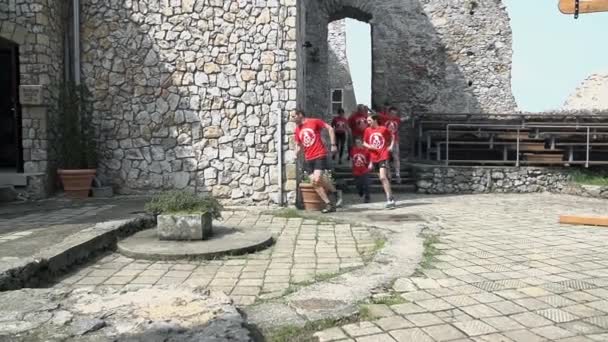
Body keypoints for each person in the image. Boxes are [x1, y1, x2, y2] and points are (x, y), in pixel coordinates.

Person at [292, 110, 343, 213]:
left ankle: (333, 195)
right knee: (315, 182)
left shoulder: (314, 121)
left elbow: (330, 128)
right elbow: (298, 145)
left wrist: (333, 144)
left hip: (319, 154)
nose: (292, 119)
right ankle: (329, 202)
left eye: (293, 116)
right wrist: (295, 153)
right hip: (308, 158)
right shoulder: (297, 129)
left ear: (300, 115)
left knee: (317, 179)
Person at [363, 114, 396, 209]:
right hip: (374, 157)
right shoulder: (367, 130)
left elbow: (392, 135)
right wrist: (370, 147)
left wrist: (391, 146)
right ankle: (390, 196)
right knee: (383, 179)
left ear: (375, 120)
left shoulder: (383, 129)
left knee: (382, 177)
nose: (367, 123)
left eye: (369, 121)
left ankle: (389, 200)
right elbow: (364, 142)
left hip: (383, 155)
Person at [384, 106, 403, 183]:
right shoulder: (384, 118)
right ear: (389, 113)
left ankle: (397, 174)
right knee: (386, 158)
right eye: (392, 113)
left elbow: (403, 119)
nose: (393, 115)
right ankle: (388, 174)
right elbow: (376, 114)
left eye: (395, 114)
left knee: (396, 157)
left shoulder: (397, 120)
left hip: (395, 141)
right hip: (386, 141)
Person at [350, 137, 371, 203]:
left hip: (365, 170)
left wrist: (370, 164)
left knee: (366, 184)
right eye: (356, 143)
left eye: (359, 142)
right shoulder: (353, 150)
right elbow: (351, 158)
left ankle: (367, 197)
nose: (357, 144)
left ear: (362, 143)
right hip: (356, 170)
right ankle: (360, 191)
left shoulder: (366, 150)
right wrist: (350, 163)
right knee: (358, 185)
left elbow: (371, 158)